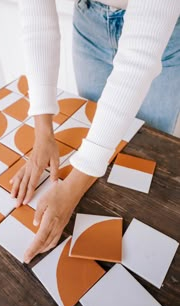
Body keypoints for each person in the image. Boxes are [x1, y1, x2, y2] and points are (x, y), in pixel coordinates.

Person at [12, 0, 180, 263]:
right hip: (90, 21)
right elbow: (37, 21)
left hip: (164, 39)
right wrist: (42, 130)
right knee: (98, 135)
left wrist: (72, 189)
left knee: (145, 156)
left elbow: (137, 62)